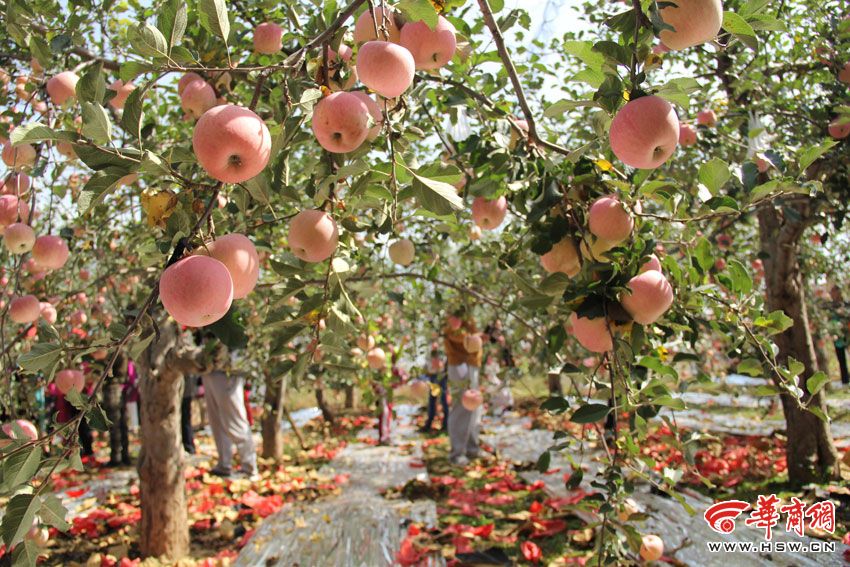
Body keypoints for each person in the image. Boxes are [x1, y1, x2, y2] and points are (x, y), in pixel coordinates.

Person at [201, 337, 258, 478]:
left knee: (235, 420)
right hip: (210, 368)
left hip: (228, 370)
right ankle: (224, 464)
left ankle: (250, 467)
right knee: (216, 421)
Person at [444, 307, 483, 465]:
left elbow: (473, 340)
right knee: (462, 407)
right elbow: (455, 335)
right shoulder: (453, 315)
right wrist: (475, 337)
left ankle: (472, 448)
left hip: (471, 364)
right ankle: (457, 452)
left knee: (474, 406)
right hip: (460, 365)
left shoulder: (470, 314)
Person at [104, 352, 131, 466]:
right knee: (121, 425)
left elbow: (119, 374)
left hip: (114, 392)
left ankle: (117, 457)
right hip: (118, 392)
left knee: (116, 425)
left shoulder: (117, 355)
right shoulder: (121, 354)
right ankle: (123, 456)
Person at [421, 344, 448, 432]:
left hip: (441, 375)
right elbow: (427, 364)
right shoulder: (429, 348)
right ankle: (429, 424)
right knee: (432, 401)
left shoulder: (443, 347)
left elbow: (444, 362)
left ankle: (446, 425)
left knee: (444, 401)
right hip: (432, 376)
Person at [181, 374, 197, 454]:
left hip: (185, 390)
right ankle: (188, 445)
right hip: (186, 390)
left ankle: (188, 446)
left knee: (185, 419)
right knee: (185, 419)